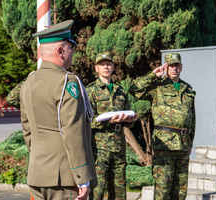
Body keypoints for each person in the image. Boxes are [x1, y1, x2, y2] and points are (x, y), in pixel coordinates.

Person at [20, 20, 97, 200]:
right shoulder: (67, 82)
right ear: (60, 51)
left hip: (38, 174)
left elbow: (27, 129)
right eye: (71, 48)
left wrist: (42, 161)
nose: (73, 53)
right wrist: (82, 178)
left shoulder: (29, 81)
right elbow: (73, 132)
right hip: (64, 178)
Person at [129, 53, 196, 200]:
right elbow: (134, 90)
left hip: (183, 145)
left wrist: (190, 142)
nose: (174, 68)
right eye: (171, 65)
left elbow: (192, 118)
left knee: (180, 190)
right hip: (164, 145)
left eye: (177, 65)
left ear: (181, 67)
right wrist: (153, 75)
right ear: (166, 67)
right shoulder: (157, 87)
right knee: (163, 188)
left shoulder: (188, 89)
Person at [86, 52, 137, 200]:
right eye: (102, 64)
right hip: (99, 147)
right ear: (96, 68)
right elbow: (86, 121)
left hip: (118, 146)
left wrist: (130, 120)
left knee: (119, 191)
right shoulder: (90, 91)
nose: (106, 67)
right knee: (98, 190)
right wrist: (108, 121)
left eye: (108, 64)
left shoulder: (120, 91)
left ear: (113, 67)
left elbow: (129, 115)